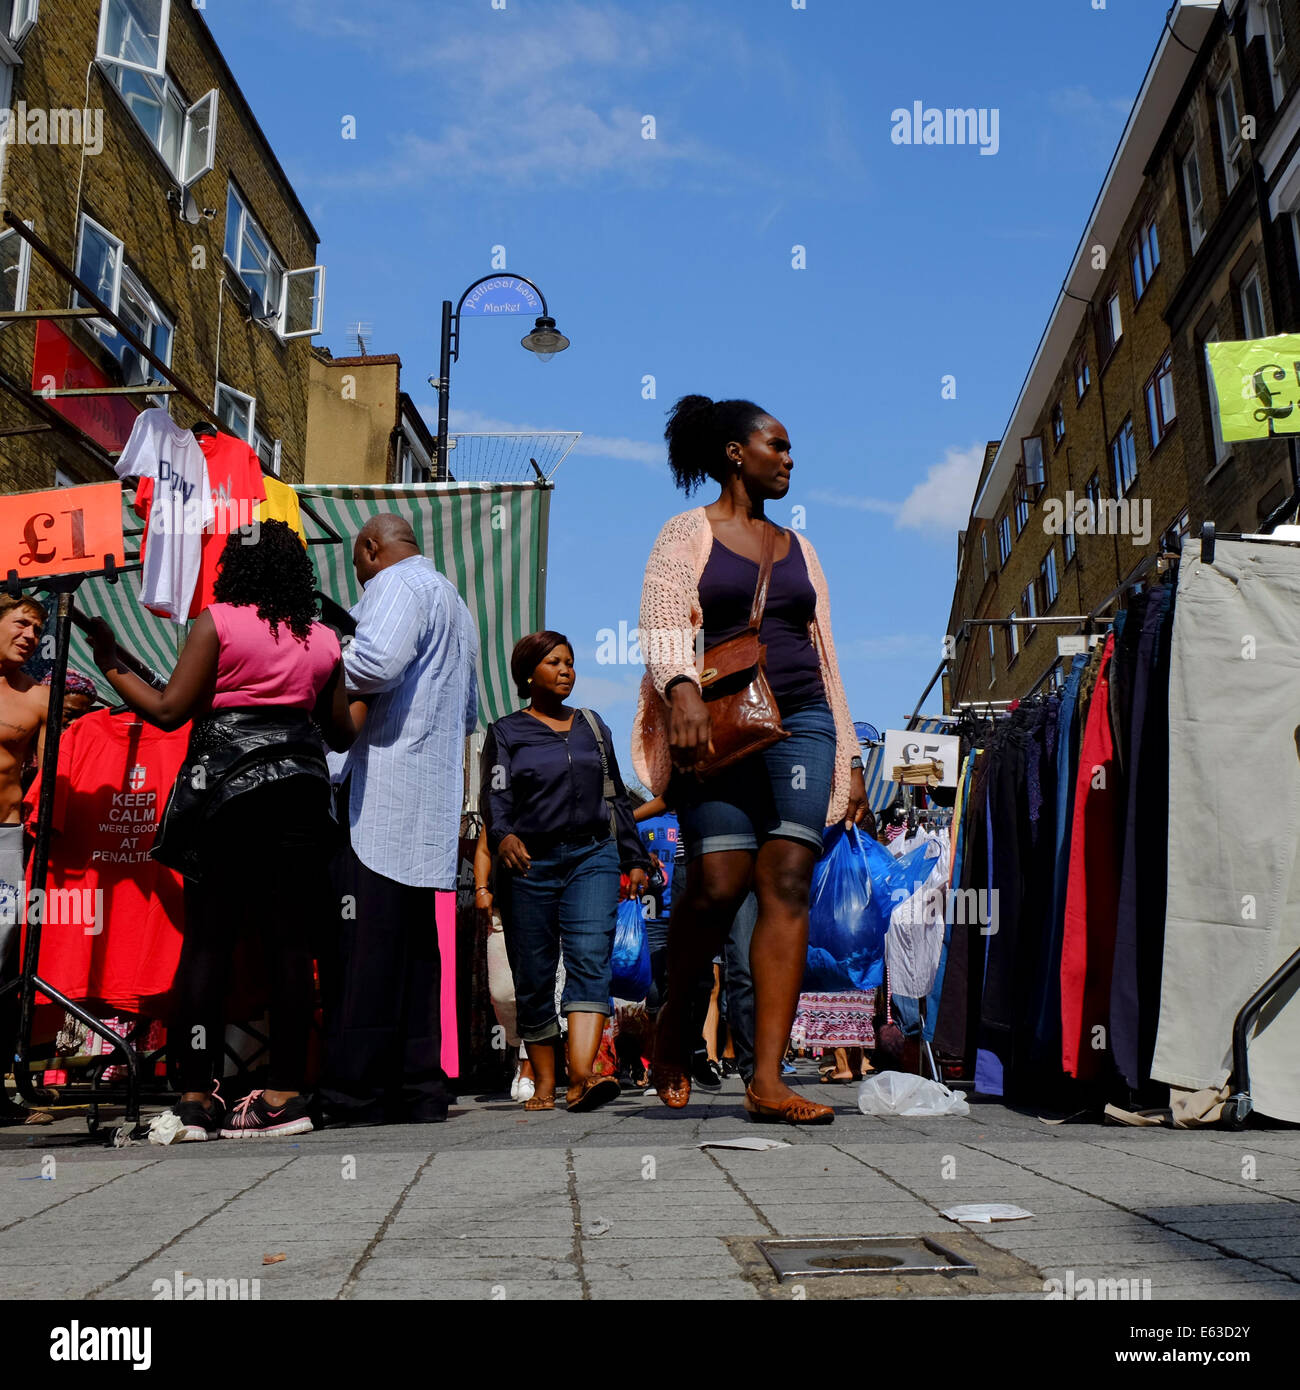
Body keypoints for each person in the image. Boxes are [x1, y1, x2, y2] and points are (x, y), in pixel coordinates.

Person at [631, 395, 869, 1125]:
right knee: (718, 883)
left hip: (802, 720)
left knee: (788, 880)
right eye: (778, 445)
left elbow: (825, 651)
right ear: (736, 453)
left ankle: (766, 1080)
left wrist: (851, 751)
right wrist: (680, 693)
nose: (789, 459)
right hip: (720, 724)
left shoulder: (802, 549)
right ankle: (675, 1025)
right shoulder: (686, 533)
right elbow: (665, 619)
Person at [88, 520, 355, 1140]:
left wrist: (110, 663)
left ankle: (195, 1097)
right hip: (301, 796)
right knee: (291, 945)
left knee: (208, 942)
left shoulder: (218, 622)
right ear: (298, 573)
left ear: (234, 568)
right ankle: (286, 1096)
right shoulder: (322, 639)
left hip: (228, 794)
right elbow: (341, 732)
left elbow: (168, 710)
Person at [321, 514, 478, 1126]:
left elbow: (375, 664)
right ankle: (418, 1089)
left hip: (381, 799)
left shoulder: (395, 586)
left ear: (371, 549)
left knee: (365, 952)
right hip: (427, 802)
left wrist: (326, 653)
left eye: (360, 566)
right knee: (418, 957)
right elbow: (466, 712)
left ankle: (355, 1094)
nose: (360, 579)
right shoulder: (457, 606)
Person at [480, 631, 649, 1112]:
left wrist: (633, 856)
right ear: (528, 673)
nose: (566, 670)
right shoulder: (507, 732)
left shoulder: (593, 727)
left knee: (590, 956)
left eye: (570, 662)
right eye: (554, 662)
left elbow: (616, 794)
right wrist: (504, 834)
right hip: (528, 862)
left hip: (592, 856)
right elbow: (495, 794)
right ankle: (545, 1080)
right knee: (532, 972)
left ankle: (582, 1078)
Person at [0, 594, 49, 1123]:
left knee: (0, 963)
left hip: (4, 842)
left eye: (38, 629)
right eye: (22, 624)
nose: (31, 636)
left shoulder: (38, 698)